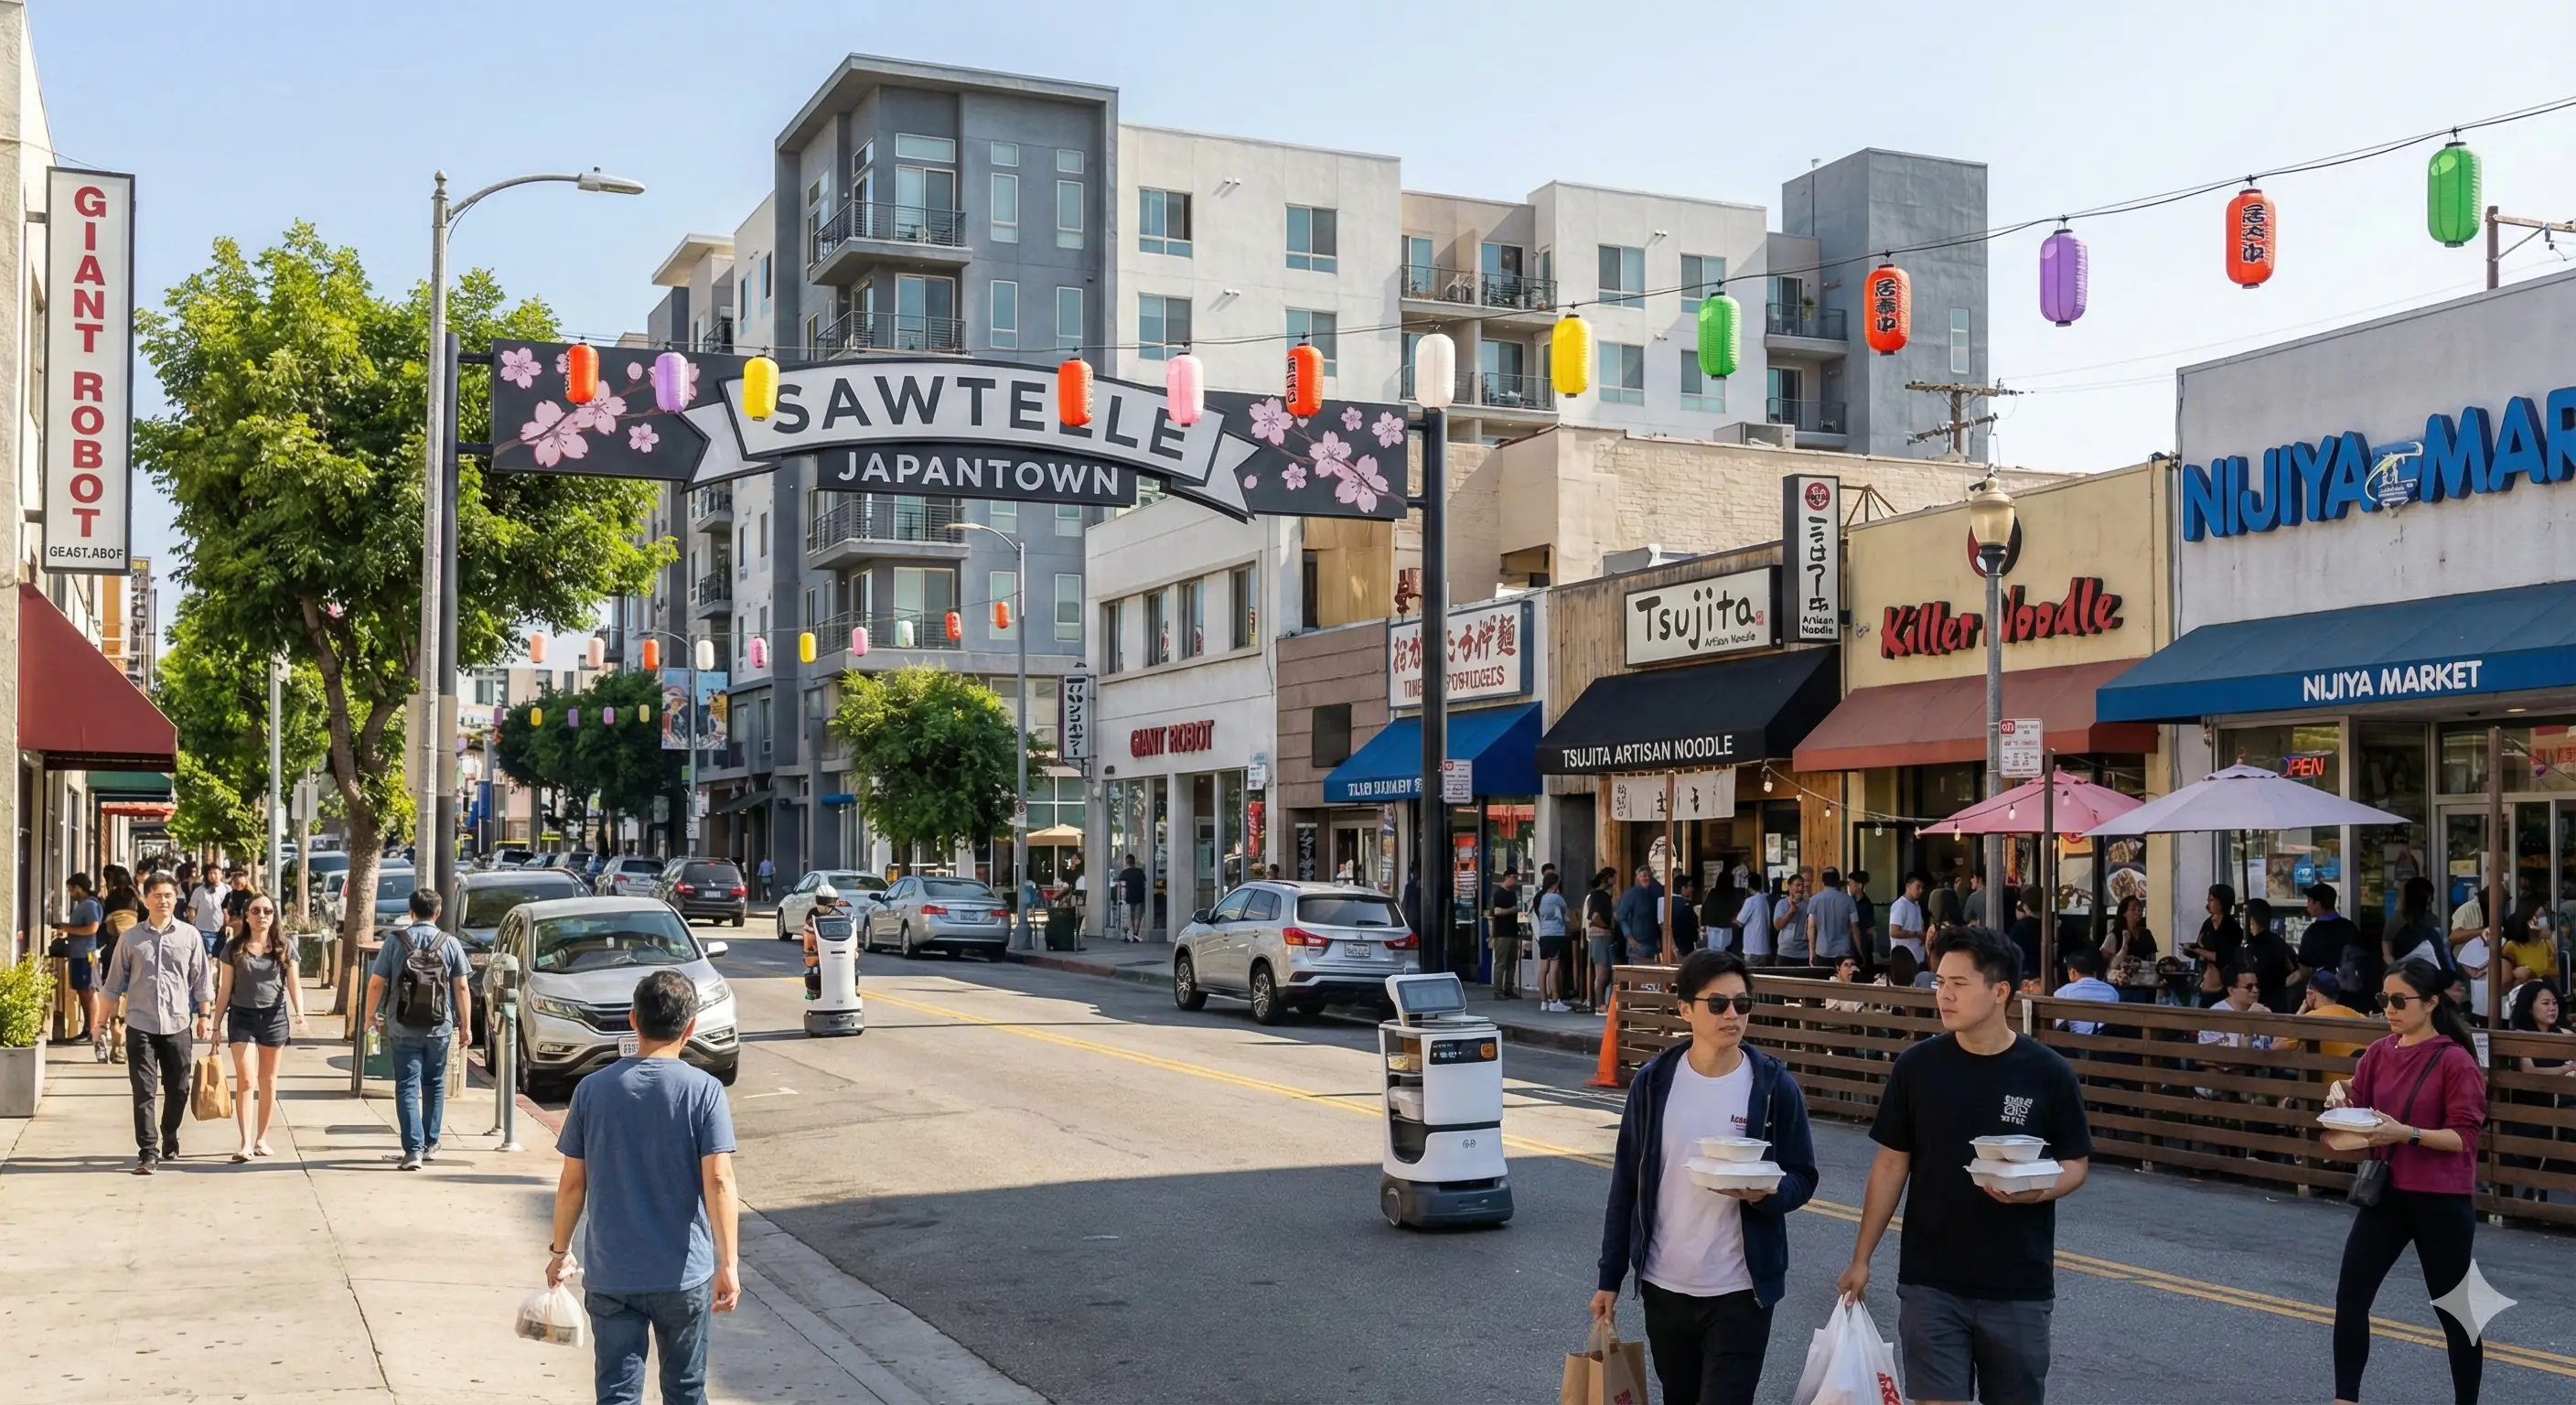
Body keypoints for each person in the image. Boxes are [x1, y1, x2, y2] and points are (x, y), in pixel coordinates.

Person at [1838, 925, 2093, 1405]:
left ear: (1999, 992)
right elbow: (1891, 1164)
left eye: (1958, 984)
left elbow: (2075, 1163)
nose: (1944, 995)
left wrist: (2038, 1188)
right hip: (1930, 1280)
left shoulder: (2047, 1072)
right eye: (1939, 982)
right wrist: (1861, 1258)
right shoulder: (1917, 1067)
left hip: (2018, 1282)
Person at [1594, 949, 1819, 1405]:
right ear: (1685, 1009)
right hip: (1665, 1285)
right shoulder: (1655, 1084)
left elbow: (1803, 1176)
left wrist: (1764, 1194)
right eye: (1718, 1004)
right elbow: (1626, 1186)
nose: (1732, 1015)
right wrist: (1610, 1276)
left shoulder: (1773, 1087)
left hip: (1742, 1290)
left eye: (1742, 1004)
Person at [547, 971, 741, 1405]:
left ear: (632, 1020)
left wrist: (560, 1251)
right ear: (690, 1028)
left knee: (617, 1392)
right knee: (686, 1390)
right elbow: (719, 1182)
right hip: (683, 1275)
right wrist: (728, 1262)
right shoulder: (705, 1091)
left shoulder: (591, 1090)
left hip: (612, 1274)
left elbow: (572, 1184)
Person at [2322, 960, 2486, 1405]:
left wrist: (2407, 1133)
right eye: (2383, 1000)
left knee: (2455, 1312)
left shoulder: (2455, 1060)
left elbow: (2463, 1137)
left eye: (2399, 1001)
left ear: (2431, 1003)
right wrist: (2340, 1097)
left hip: (2442, 1200)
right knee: (2351, 1298)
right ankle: (2345, 1400)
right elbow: (2356, 1115)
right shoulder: (2379, 1052)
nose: (2389, 1009)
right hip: (2388, 1191)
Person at [98, 873, 214, 1174]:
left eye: (169, 895)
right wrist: (99, 1023)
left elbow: (201, 980)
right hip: (140, 1024)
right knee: (144, 1090)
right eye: (158, 895)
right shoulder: (131, 938)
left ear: (176, 899)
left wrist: (204, 1016)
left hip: (177, 1023)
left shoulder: (189, 936)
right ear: (146, 899)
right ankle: (147, 1152)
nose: (164, 901)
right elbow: (112, 985)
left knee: (179, 1089)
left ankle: (170, 1132)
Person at [362, 889, 473, 1170]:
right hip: (439, 1026)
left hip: (402, 1025)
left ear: (410, 912)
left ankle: (413, 1151)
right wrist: (465, 1025)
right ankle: (431, 1143)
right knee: (434, 1084)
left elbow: (376, 983)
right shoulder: (450, 943)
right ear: (438, 913)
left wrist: (369, 1017)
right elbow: (461, 986)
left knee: (407, 1086)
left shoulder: (395, 941)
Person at [212, 891, 306, 1162]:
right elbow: (225, 988)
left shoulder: (285, 946)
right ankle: (244, 1143)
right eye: (256, 911)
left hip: (274, 1017)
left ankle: (261, 1139)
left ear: (274, 916)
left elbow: (294, 983)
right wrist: (216, 1024)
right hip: (241, 1017)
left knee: (268, 1080)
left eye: (267, 911)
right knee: (245, 1080)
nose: (261, 915)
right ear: (246, 915)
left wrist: (299, 1012)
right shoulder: (234, 948)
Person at [48, 874, 107, 1062]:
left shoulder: (90, 905)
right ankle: (87, 1028)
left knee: (89, 991)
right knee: (83, 992)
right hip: (78, 954)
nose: (70, 893)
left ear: (78, 888)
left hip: (86, 954)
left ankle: (93, 1030)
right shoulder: (83, 904)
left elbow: (92, 928)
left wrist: (67, 928)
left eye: (71, 889)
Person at [2298, 884, 2375, 1013]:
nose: (2307, 905)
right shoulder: (2349, 927)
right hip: (2354, 995)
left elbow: (2304, 970)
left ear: (2318, 904)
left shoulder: (2312, 933)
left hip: (2325, 998)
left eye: (2310, 901)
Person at [2188, 884, 2245, 1006]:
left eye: (2212, 900)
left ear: (2222, 901)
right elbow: (2199, 944)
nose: (2208, 903)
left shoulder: (2233, 928)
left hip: (2222, 984)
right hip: (2204, 981)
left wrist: (2199, 950)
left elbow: (2225, 956)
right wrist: (2190, 950)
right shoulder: (2207, 924)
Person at [2240, 898, 2299, 1013]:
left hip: (2258, 1005)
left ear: (2251, 920)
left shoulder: (2251, 947)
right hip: (2280, 1003)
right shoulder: (2281, 943)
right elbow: (2296, 971)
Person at [2052, 946, 2120, 1035]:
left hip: (2072, 1043)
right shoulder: (2111, 991)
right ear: (2094, 972)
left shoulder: (2062, 992)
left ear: (2072, 972)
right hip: (2103, 1042)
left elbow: (2059, 1026)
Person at [800, 884, 847, 999]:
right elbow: (808, 932)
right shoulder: (812, 915)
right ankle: (812, 991)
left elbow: (847, 931)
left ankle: (851, 989)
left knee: (852, 968)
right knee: (813, 969)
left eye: (829, 905)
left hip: (836, 950)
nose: (827, 908)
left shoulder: (839, 915)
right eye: (824, 904)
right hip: (818, 950)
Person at [1535, 872, 1572, 1013]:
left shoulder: (1542, 898)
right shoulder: (1557, 898)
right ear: (1554, 884)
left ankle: (1544, 1001)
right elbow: (1566, 910)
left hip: (1544, 934)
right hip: (1556, 934)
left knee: (1543, 968)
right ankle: (1555, 999)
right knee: (1554, 968)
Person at [1583, 868, 1619, 1012]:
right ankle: (1600, 1005)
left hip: (1598, 936)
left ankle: (1601, 1004)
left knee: (1603, 971)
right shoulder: (1600, 895)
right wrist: (1607, 927)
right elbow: (1595, 917)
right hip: (1601, 936)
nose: (1616, 880)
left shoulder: (1595, 895)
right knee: (1602, 971)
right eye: (1614, 877)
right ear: (1608, 879)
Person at [1807, 867, 1858, 966]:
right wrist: (1860, 952)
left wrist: (1811, 952)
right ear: (1838, 880)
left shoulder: (1814, 900)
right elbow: (1854, 927)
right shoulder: (1848, 900)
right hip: (1843, 951)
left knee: (1823, 980)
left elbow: (1811, 927)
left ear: (1823, 880)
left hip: (1822, 950)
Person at [1487, 870, 1525, 999]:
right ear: (1506, 877)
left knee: (1512, 962)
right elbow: (1497, 911)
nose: (1514, 880)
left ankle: (1509, 988)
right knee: (1501, 963)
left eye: (1516, 877)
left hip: (1512, 931)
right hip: (1502, 933)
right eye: (1513, 877)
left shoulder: (1513, 893)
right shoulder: (1499, 893)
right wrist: (1511, 910)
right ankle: (1498, 990)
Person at [1616, 865, 1664, 964]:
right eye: (1643, 875)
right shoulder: (1630, 894)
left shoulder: (1654, 894)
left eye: (1648, 875)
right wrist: (1630, 938)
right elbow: (1621, 917)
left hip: (1652, 945)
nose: (1646, 878)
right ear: (1637, 878)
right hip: (1637, 946)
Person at [2100, 895, 2156, 971]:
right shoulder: (2114, 936)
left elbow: (2152, 959)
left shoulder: (2146, 934)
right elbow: (2105, 962)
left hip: (2144, 979)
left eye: (2139, 908)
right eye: (2133, 909)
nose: (2138, 911)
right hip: (2120, 979)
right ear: (2124, 914)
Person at [1887, 873, 1929, 966]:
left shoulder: (1917, 906)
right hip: (1903, 958)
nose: (1920, 891)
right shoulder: (1900, 905)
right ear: (1908, 886)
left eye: (1922, 888)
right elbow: (1894, 932)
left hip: (1917, 957)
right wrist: (1917, 934)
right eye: (1917, 887)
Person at [2004, 889, 2043, 987]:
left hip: (2026, 978)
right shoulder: (2056, 924)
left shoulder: (2019, 927)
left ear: (2026, 907)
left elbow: (2011, 955)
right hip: (2054, 978)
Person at [1772, 871, 1811, 965]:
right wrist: (1791, 911)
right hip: (1785, 953)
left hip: (1804, 953)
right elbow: (1777, 926)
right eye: (1797, 885)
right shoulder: (1782, 904)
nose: (1800, 889)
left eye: (1802, 886)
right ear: (1789, 886)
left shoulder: (1809, 905)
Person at [1737, 876, 1774, 969]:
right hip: (1764, 948)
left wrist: (1731, 917)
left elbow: (1740, 921)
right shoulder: (1765, 899)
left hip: (1753, 949)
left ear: (1749, 887)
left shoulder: (1750, 901)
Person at [1849, 871, 1880, 971]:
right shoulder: (1849, 901)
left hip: (1863, 945)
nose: (1849, 886)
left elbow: (1871, 928)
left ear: (1859, 885)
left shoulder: (1866, 904)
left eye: (1851, 883)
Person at [1117, 854, 1148, 942]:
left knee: (1131, 916)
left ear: (1127, 863)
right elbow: (1144, 884)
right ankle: (1135, 934)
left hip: (1128, 897)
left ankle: (1128, 933)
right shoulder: (1140, 872)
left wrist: (1119, 898)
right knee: (1138, 916)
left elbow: (1120, 886)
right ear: (1134, 862)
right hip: (1140, 896)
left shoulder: (1124, 873)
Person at [1669, 873, 1702, 954]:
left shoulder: (1666, 902)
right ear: (1683, 888)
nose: (1692, 889)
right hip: (1684, 945)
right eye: (1690, 886)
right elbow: (1692, 924)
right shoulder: (1685, 905)